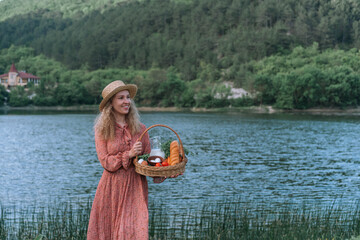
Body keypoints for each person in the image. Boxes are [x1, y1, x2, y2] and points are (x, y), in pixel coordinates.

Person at [87, 80, 164, 240]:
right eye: (121, 98)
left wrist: (162, 171)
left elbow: (148, 161)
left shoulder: (141, 128)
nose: (127, 101)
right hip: (111, 188)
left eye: (128, 97)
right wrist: (128, 154)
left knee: (134, 231)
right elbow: (105, 162)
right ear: (111, 103)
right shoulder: (102, 130)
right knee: (110, 231)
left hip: (136, 187)